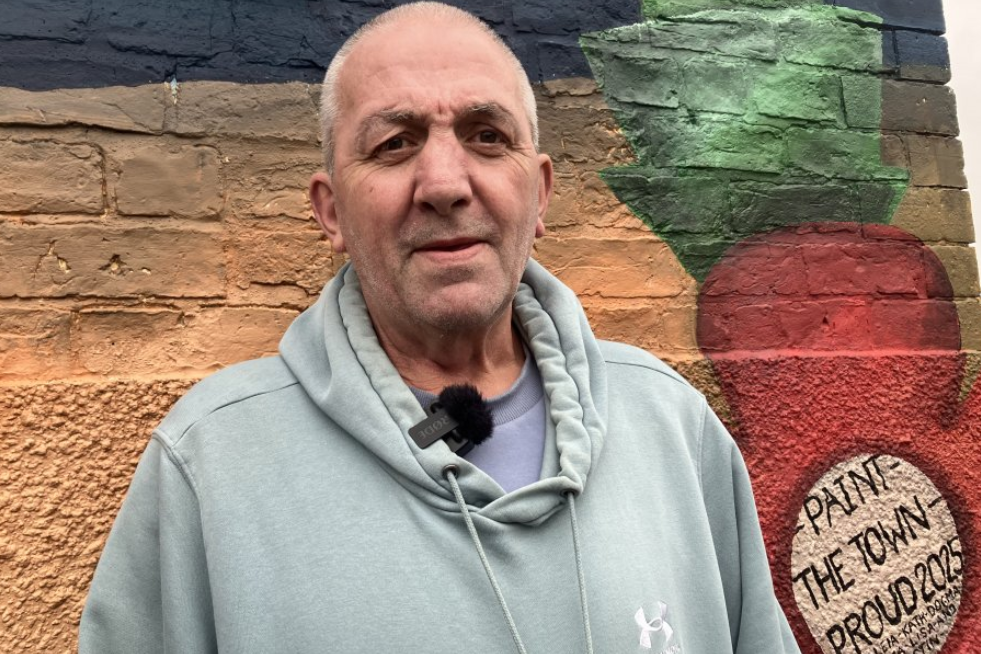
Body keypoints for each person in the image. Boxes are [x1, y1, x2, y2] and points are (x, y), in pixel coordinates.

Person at [79, 3, 801, 653]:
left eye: (487, 136)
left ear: (540, 191)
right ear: (330, 211)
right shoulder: (210, 466)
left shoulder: (670, 426)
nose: (446, 184)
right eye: (394, 144)